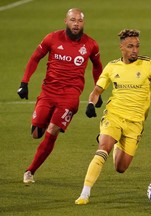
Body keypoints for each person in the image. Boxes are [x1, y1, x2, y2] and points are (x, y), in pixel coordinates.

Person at [75, 29, 151, 205]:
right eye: (130, 46)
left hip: (135, 123)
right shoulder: (112, 67)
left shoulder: (148, 64)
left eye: (137, 46)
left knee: (120, 168)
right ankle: (84, 194)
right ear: (122, 47)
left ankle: (116, 142)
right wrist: (90, 104)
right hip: (114, 115)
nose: (135, 50)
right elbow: (96, 91)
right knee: (103, 147)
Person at [17, 8, 103, 184]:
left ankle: (30, 171)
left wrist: (97, 90)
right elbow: (35, 58)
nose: (76, 24)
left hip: (70, 96)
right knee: (36, 134)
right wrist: (24, 82)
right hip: (48, 92)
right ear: (66, 21)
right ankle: (41, 123)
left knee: (52, 130)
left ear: (83, 23)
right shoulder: (52, 38)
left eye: (79, 21)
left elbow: (97, 66)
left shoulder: (91, 45)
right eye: (73, 20)